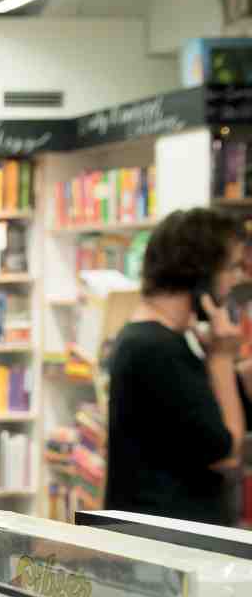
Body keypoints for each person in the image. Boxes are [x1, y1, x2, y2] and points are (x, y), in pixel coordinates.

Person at [108, 208, 250, 525]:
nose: (235, 279)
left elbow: (202, 411)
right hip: (164, 544)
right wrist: (222, 358)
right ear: (200, 274)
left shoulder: (162, 339)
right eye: (230, 268)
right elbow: (225, 452)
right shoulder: (155, 348)